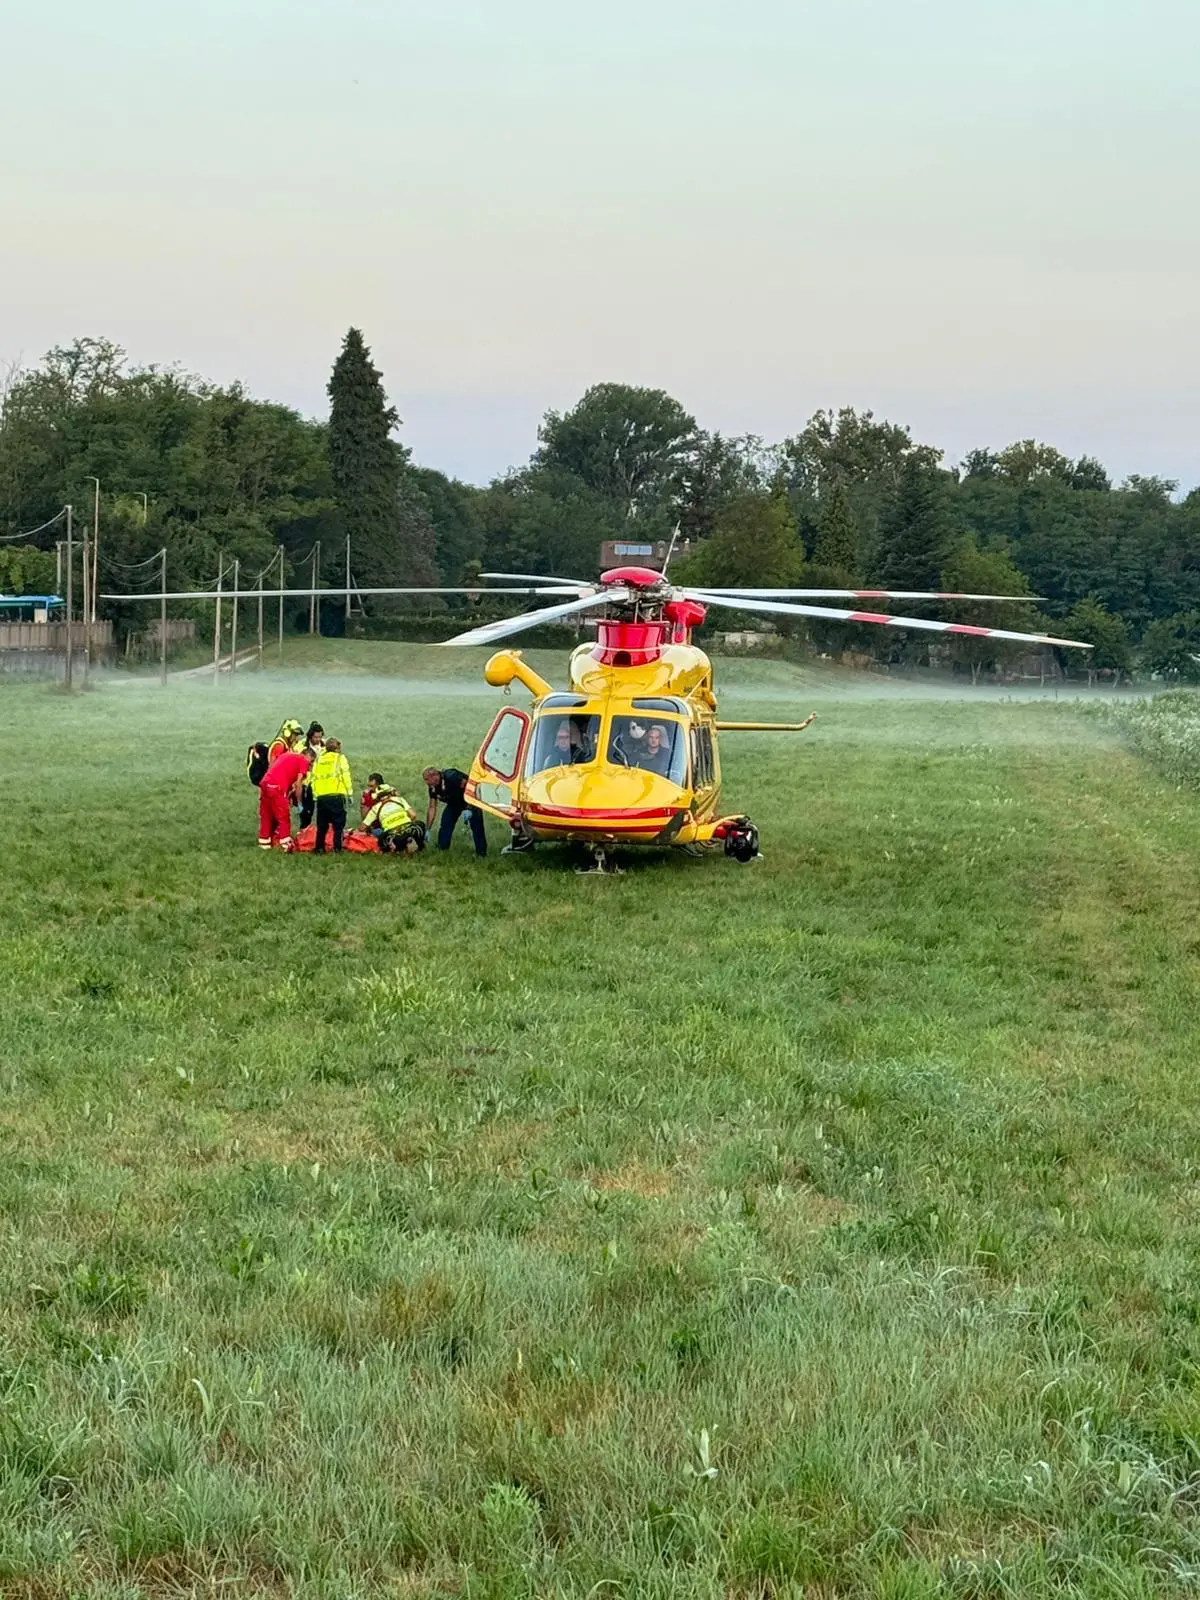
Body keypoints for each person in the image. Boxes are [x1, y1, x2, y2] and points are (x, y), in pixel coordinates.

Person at [258, 742, 312, 849]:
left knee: (267, 814)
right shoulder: (303, 761)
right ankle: (285, 843)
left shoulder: (287, 755)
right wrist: (300, 803)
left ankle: (264, 842)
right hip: (277, 787)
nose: (310, 767)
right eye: (312, 763)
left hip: (265, 783)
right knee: (283, 816)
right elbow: (298, 784)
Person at [424, 766, 487, 857]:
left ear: (435, 775)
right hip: (454, 803)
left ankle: (481, 853)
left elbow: (470, 787)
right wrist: (428, 829)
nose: (426, 782)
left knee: (476, 826)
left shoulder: (451, 776)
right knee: (446, 822)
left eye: (427, 779)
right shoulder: (433, 788)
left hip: (470, 799)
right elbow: (432, 807)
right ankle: (442, 848)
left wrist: (469, 808)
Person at [309, 736, 353, 854]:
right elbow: (345, 776)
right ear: (337, 748)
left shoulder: (319, 760)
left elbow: (313, 779)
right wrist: (349, 793)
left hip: (321, 797)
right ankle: (337, 849)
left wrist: (315, 795)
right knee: (338, 825)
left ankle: (319, 848)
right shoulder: (340, 759)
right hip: (336, 796)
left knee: (322, 826)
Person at [360, 784, 426, 854]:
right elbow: (413, 815)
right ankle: (418, 846)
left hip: (392, 834)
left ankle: (397, 848)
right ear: (390, 792)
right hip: (409, 829)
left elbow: (362, 827)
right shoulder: (399, 800)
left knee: (379, 836)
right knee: (420, 825)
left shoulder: (375, 808)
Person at [299, 722, 325, 829]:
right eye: (315, 737)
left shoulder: (325, 746)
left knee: (323, 809)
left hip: (321, 781)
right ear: (310, 736)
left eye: (320, 737)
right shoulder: (301, 746)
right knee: (307, 809)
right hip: (306, 781)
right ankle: (304, 829)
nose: (318, 739)